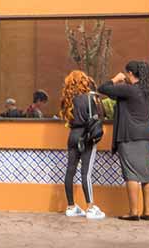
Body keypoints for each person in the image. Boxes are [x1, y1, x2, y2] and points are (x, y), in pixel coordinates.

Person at [100, 61, 149, 221]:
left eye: (126, 73)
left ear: (131, 73)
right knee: (146, 174)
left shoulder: (129, 90)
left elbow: (103, 88)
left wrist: (116, 79)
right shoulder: (147, 92)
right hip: (146, 134)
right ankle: (147, 212)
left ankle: (133, 212)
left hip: (129, 135)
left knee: (131, 173)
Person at [59, 71, 105, 220]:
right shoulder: (89, 98)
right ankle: (90, 207)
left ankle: (71, 206)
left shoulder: (69, 100)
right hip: (86, 137)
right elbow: (95, 118)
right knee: (86, 173)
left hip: (72, 136)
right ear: (83, 82)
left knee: (70, 171)